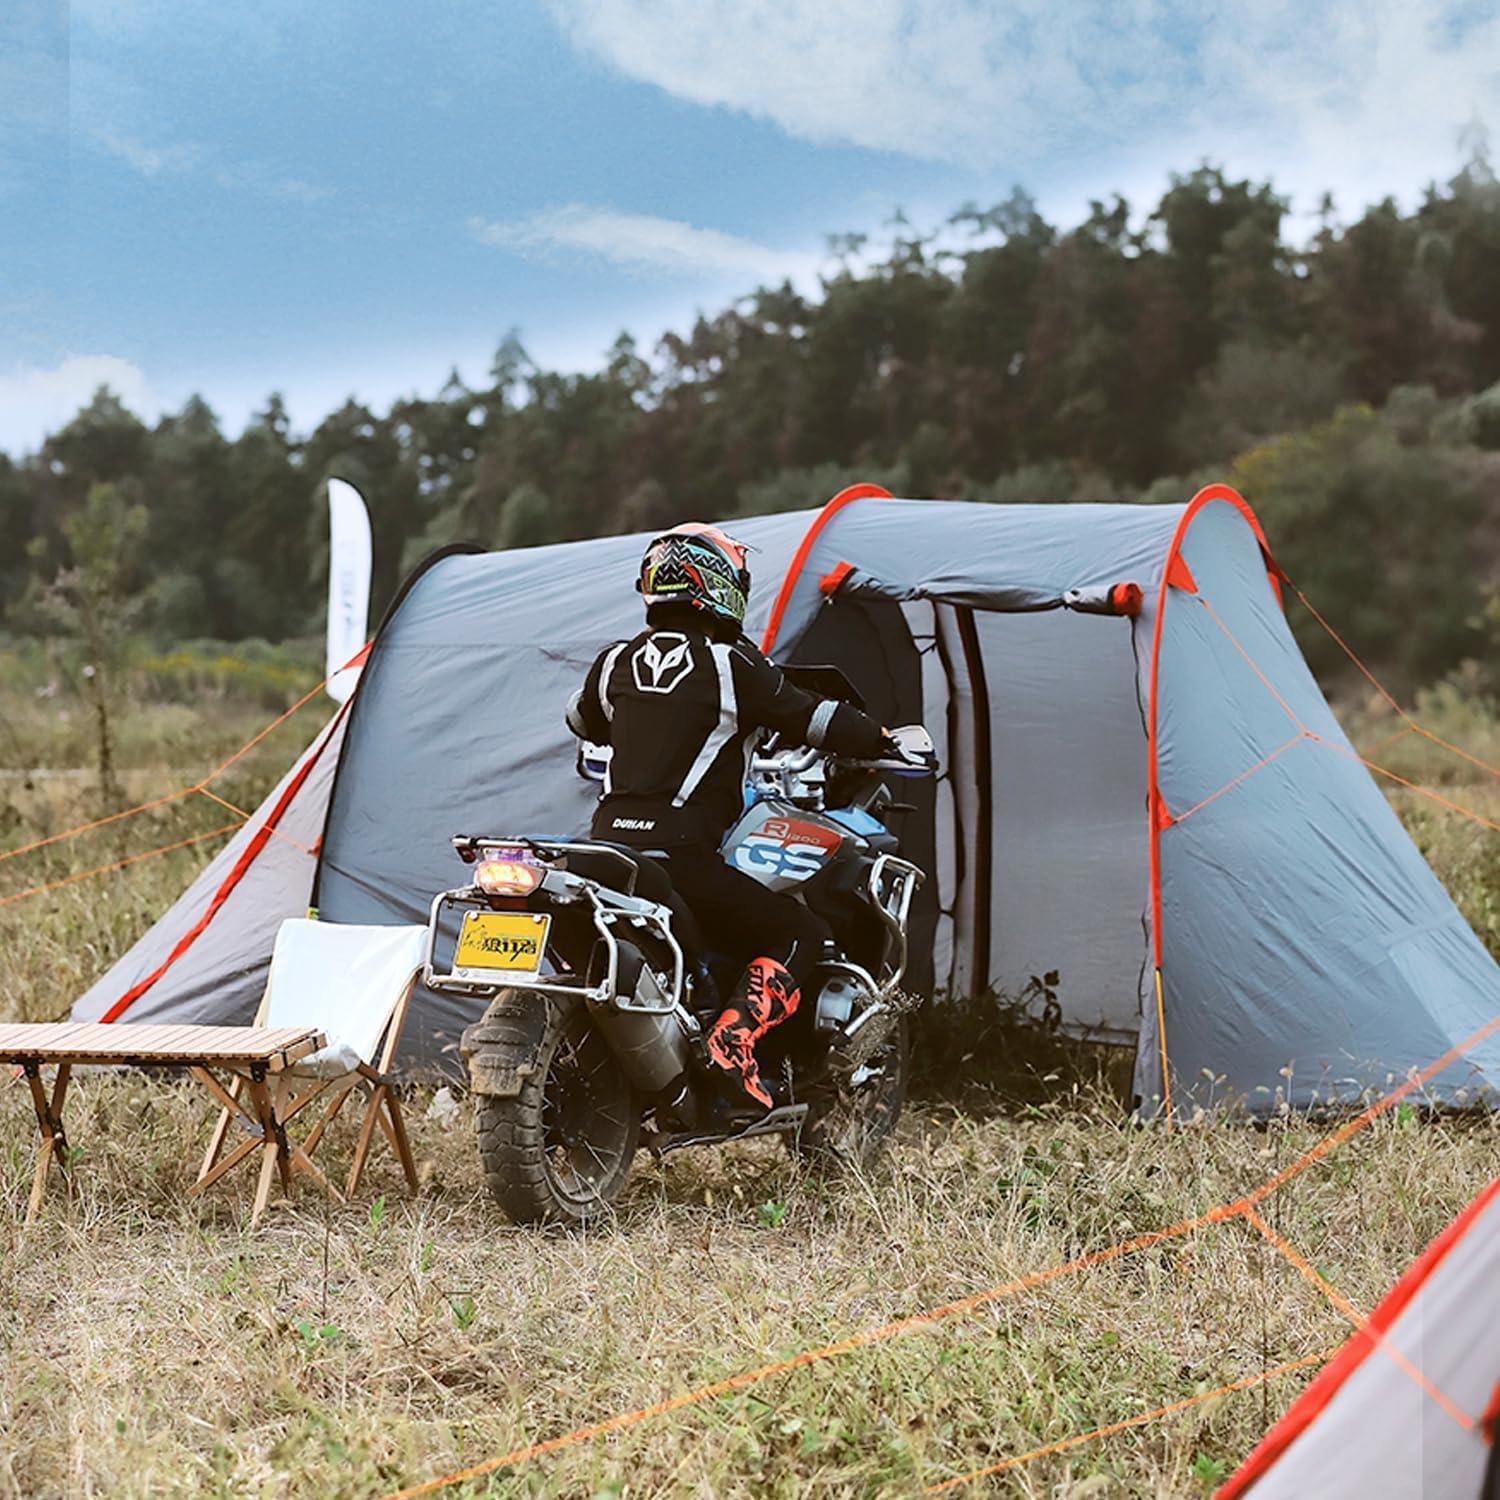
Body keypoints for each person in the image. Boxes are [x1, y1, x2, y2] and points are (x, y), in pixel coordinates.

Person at [565, 522, 890, 1113]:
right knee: (800, 932)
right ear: (718, 583)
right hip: (684, 855)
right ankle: (733, 1041)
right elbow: (811, 718)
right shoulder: (730, 664)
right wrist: (881, 737)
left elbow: (584, 721)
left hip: (608, 852)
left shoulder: (614, 660)